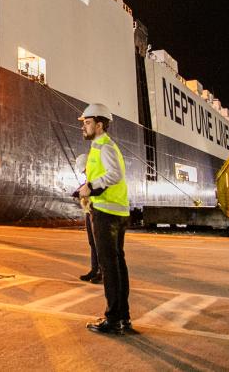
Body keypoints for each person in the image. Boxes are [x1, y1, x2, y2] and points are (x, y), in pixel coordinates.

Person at [77, 103, 133, 335]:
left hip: (107, 215)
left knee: (109, 267)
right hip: (114, 211)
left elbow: (114, 174)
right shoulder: (102, 147)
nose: (84, 127)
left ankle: (113, 320)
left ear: (99, 125)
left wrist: (90, 186)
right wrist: (88, 192)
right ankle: (123, 317)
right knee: (117, 265)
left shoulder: (103, 147)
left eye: (87, 123)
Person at [72, 154, 102, 284]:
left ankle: (102, 272)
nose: (84, 172)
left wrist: (82, 192)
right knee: (92, 242)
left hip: (98, 211)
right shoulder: (90, 176)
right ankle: (94, 269)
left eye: (84, 170)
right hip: (90, 211)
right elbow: (86, 185)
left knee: (98, 243)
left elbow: (95, 188)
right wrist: (79, 191)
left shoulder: (97, 175)